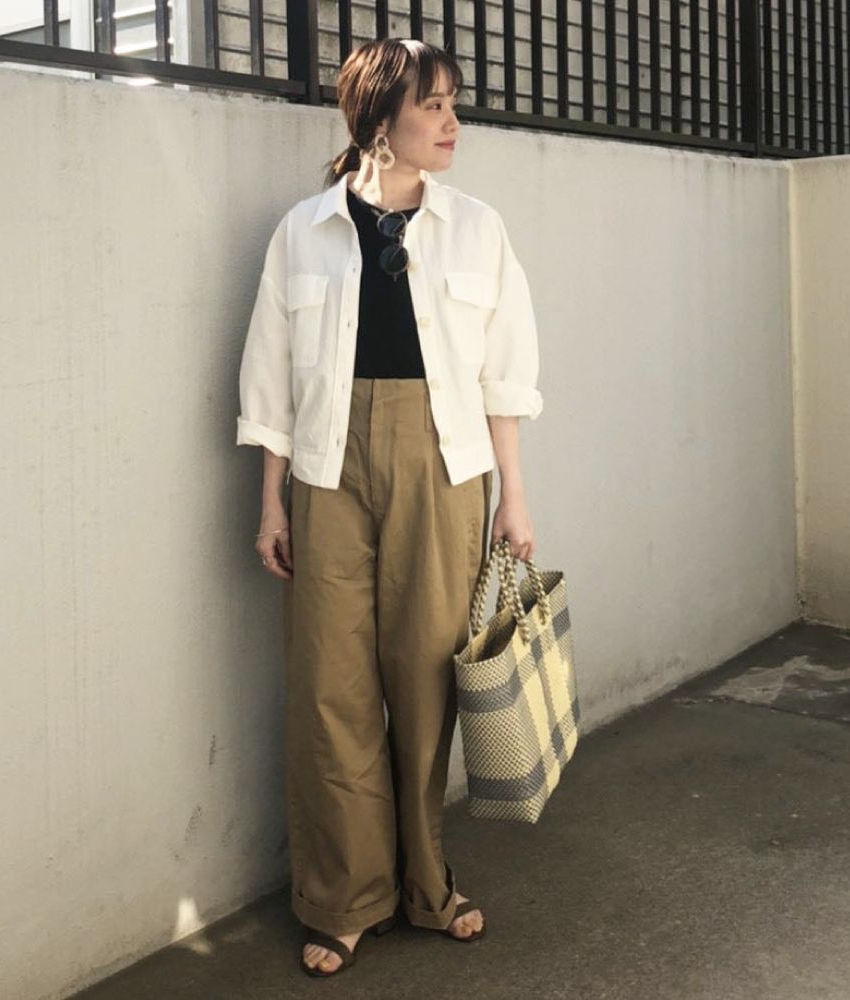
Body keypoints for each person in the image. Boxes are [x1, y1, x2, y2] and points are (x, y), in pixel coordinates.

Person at [235, 37, 543, 977]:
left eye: (454, 103)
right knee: (328, 689)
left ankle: (426, 884)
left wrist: (514, 498)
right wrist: (272, 505)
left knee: (423, 680)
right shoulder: (304, 231)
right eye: (433, 105)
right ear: (379, 120)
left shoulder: (477, 228)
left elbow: (503, 377)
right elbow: (271, 380)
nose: (453, 122)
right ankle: (343, 899)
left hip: (444, 468)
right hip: (327, 471)